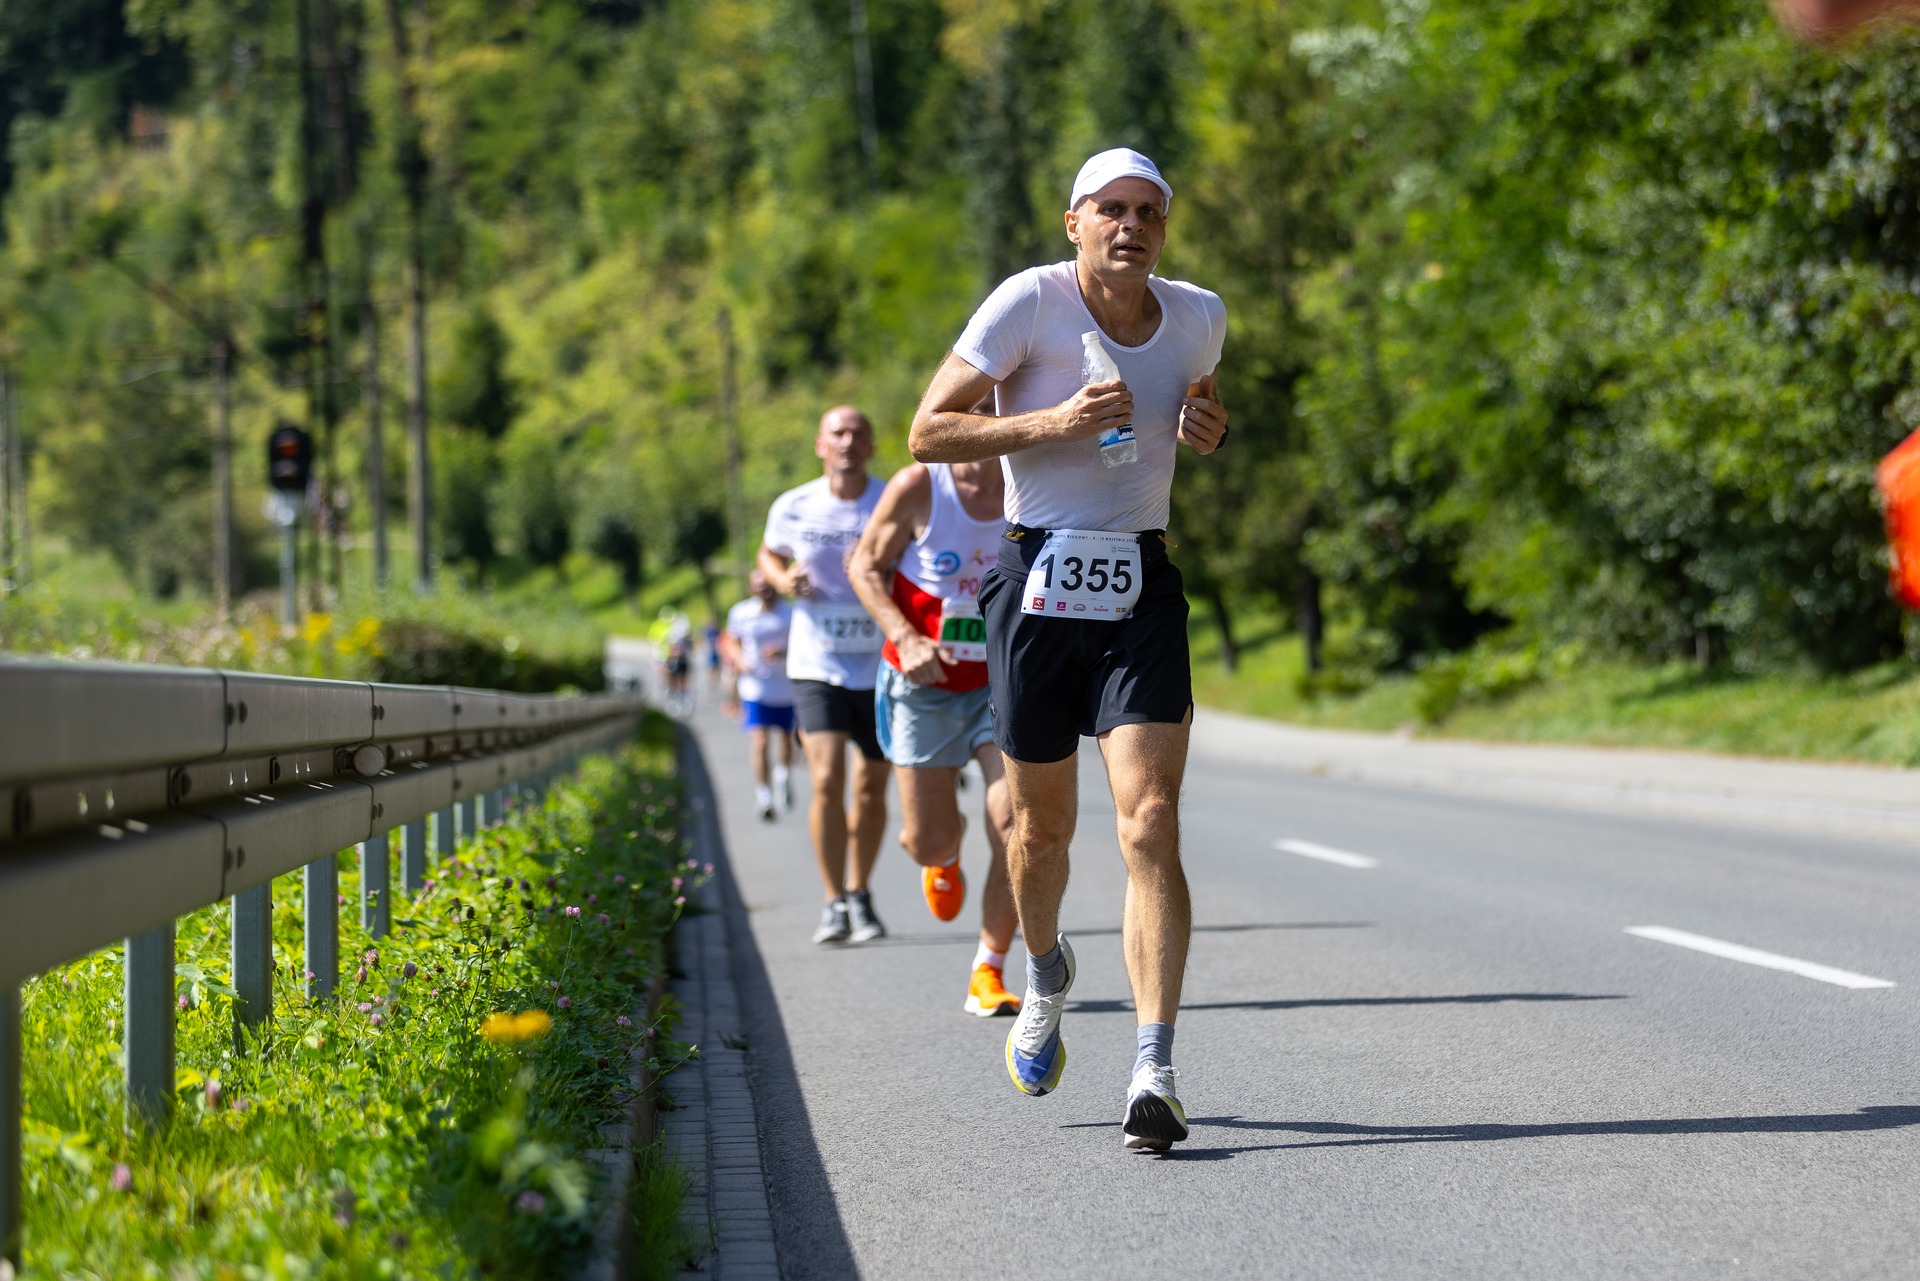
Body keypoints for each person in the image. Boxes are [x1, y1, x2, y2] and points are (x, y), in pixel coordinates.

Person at [907, 149, 1229, 1151]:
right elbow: (927, 431)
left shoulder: (1200, 315)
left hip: (1140, 579)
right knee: (1039, 833)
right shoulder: (1028, 304)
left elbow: (1199, 407)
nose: (1131, 226)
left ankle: (1154, 1067)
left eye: (1148, 212)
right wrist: (1050, 421)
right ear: (1074, 222)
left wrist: (1209, 429)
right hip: (1036, 576)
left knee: (1151, 821)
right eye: (1111, 210)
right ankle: (1044, 973)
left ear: (1164, 227)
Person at [848, 452, 1023, 1018]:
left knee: (1018, 825)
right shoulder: (920, 486)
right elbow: (864, 567)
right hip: (922, 684)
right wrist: (906, 636)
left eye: (994, 409)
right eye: (970, 411)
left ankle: (988, 970)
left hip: (1001, 681)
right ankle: (943, 852)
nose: (984, 417)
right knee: (927, 838)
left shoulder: (1031, 475)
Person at [759, 406, 892, 945]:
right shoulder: (794, 504)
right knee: (826, 778)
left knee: (870, 787)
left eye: (859, 433)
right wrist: (782, 579)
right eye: (838, 433)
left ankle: (860, 892)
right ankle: (833, 900)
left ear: (871, 446)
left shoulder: (891, 498)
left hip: (881, 662)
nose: (847, 441)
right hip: (816, 661)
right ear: (820, 444)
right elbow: (769, 553)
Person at [722, 569, 797, 822]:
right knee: (760, 741)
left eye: (768, 585)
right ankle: (764, 795)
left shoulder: (790, 612)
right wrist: (740, 659)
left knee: (786, 740)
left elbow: (803, 644)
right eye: (759, 586)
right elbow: (732, 641)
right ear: (751, 588)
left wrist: (782, 652)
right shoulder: (741, 613)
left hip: (785, 686)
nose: (765, 590)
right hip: (755, 686)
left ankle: (783, 776)